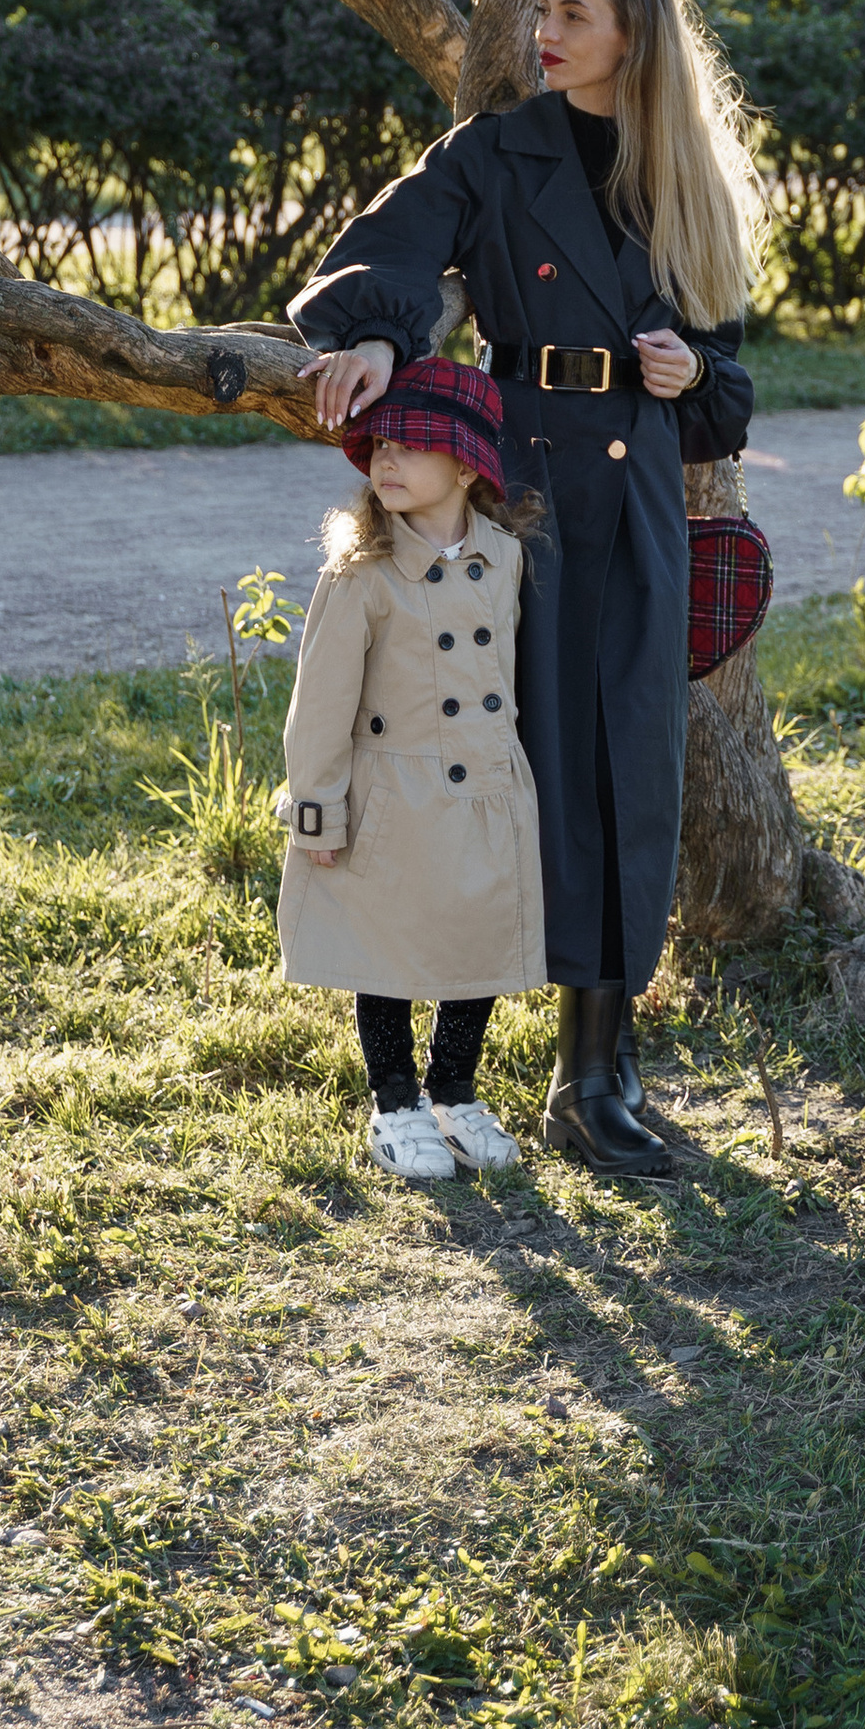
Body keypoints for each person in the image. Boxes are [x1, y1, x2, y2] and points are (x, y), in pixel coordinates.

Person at [293, 0, 760, 1178]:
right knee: (532, 764)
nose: (543, 31)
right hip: (532, 497)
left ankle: (594, 1070)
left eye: (572, 15)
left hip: (643, 495)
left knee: (630, 772)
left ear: (632, 37)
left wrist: (690, 372)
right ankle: (472, 1072)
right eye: (543, 8)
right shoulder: (495, 152)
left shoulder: (684, 181)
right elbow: (391, 246)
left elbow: (730, 390)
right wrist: (388, 341)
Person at [276, 354, 549, 1182]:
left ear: (467, 465)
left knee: (478, 937)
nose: (387, 460)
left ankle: (455, 1092)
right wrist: (318, 809)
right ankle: (395, 1104)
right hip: (393, 795)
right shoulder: (361, 574)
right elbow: (320, 702)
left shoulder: (504, 558)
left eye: (411, 445)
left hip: (482, 786)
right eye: (379, 445)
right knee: (385, 949)